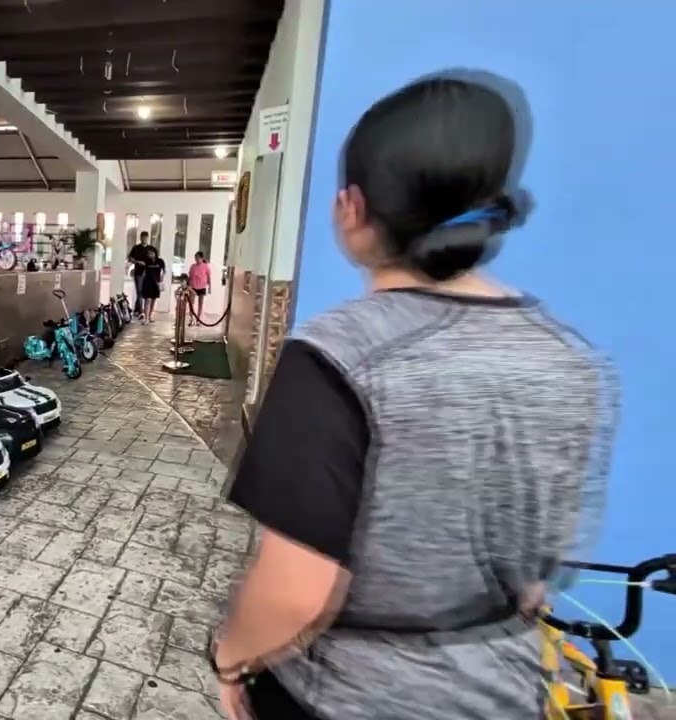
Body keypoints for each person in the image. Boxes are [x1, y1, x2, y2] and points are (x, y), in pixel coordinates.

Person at [208, 72, 618, 720]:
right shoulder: (572, 360)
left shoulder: (336, 355)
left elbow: (297, 594)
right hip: (502, 694)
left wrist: (230, 657)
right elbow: (537, 585)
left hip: (344, 698)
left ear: (352, 209)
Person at [138, 245, 165, 323]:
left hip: (156, 283)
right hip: (147, 282)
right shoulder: (146, 261)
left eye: (151, 253)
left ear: (155, 253)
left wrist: (162, 276)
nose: (149, 255)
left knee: (153, 300)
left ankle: (149, 316)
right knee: (148, 300)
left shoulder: (160, 261)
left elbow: (164, 270)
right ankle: (146, 318)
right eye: (148, 254)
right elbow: (142, 270)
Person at [128, 231, 152, 313]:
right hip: (138, 272)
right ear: (140, 238)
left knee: (146, 292)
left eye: (145, 238)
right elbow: (130, 258)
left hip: (148, 273)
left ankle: (139, 309)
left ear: (147, 238)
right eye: (142, 237)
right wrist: (137, 262)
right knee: (139, 291)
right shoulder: (136, 248)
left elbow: (154, 260)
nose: (144, 239)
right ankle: (141, 310)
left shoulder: (150, 249)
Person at [187, 251, 211, 325]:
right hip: (193, 286)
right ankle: (191, 318)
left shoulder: (206, 266)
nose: (196, 259)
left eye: (198, 257)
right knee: (191, 303)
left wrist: (210, 287)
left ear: (201, 258)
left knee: (200, 304)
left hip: (202, 287)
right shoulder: (192, 266)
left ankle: (198, 319)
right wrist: (188, 285)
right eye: (195, 257)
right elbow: (190, 277)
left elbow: (209, 277)